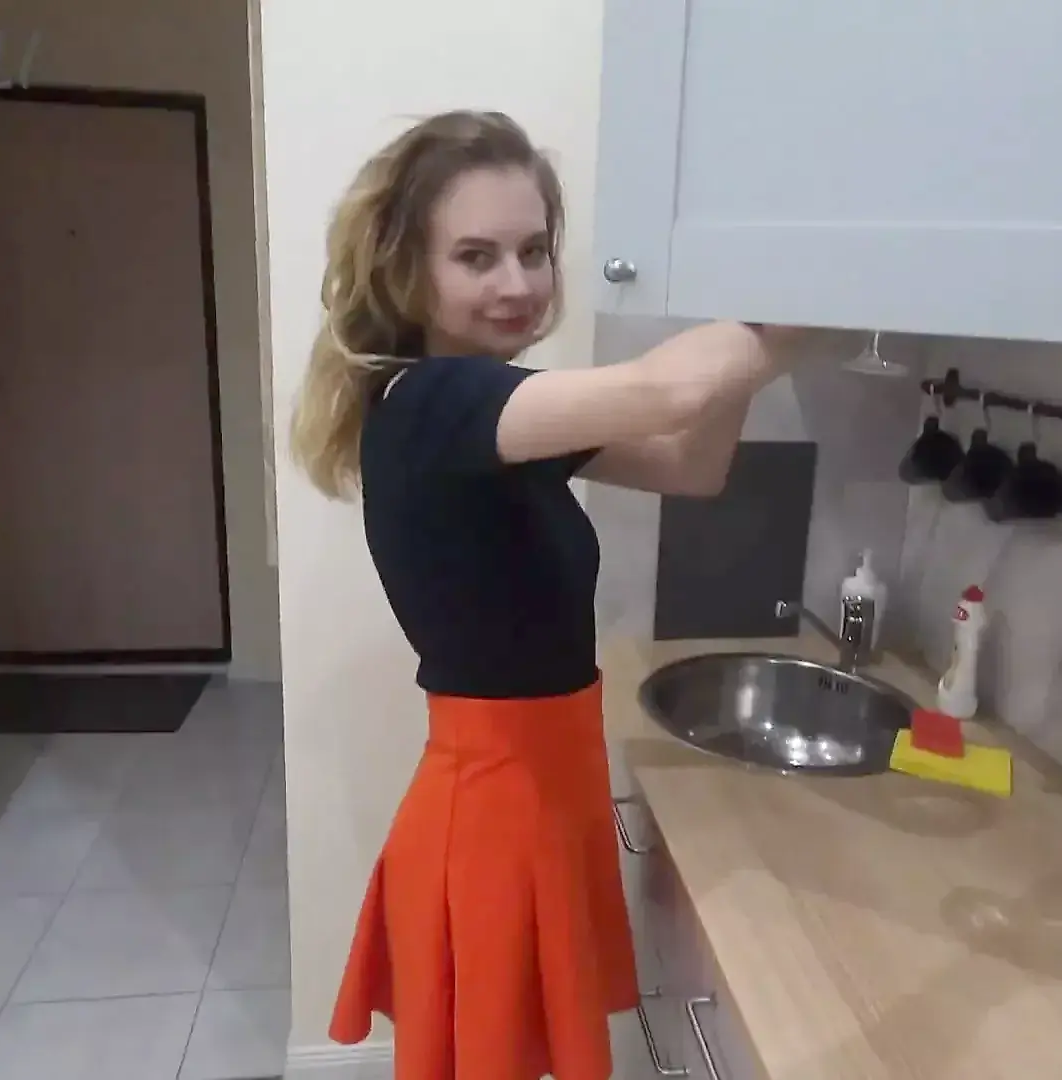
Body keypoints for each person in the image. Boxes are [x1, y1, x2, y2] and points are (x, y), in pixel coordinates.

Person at [290, 110, 807, 1080]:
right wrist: (804, 302)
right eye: (476, 256)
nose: (519, 283)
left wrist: (759, 336)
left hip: (543, 785)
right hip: (498, 807)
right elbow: (665, 393)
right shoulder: (438, 404)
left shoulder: (496, 411)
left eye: (534, 251)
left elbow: (690, 463)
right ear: (408, 270)